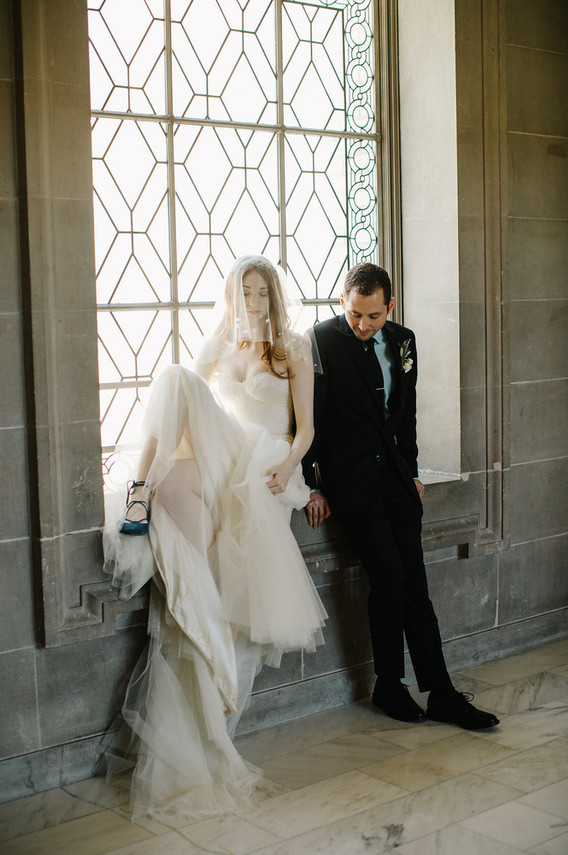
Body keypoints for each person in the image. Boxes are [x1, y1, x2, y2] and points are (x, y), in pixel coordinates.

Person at [103, 255, 327, 823]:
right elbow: (178, 414)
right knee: (177, 380)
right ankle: (138, 493)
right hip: (225, 456)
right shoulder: (217, 347)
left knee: (179, 384)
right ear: (231, 296)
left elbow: (306, 428)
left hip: (268, 459)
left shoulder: (293, 348)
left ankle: (210, 648)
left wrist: (291, 467)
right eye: (242, 292)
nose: (251, 303)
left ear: (274, 297)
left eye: (260, 293)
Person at [303, 262, 499, 730]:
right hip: (351, 484)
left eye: (372, 316)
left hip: (396, 481)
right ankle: (388, 683)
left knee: (416, 583)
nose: (362, 325)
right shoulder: (319, 341)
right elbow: (308, 419)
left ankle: (442, 694)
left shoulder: (405, 340)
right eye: (354, 314)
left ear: (389, 306)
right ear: (343, 304)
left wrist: (409, 472)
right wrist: (311, 484)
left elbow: (405, 415)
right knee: (389, 576)